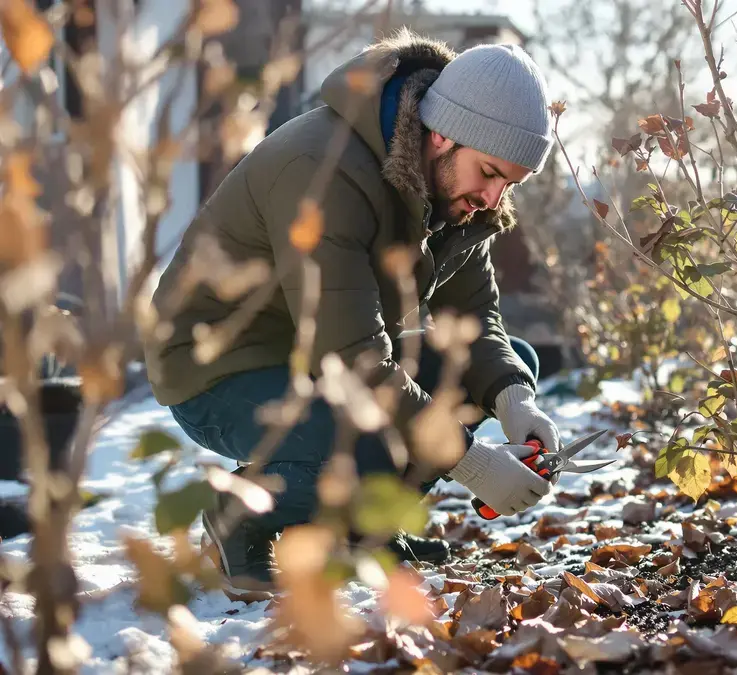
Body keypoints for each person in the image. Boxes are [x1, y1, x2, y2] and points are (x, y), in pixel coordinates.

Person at [143, 31, 562, 597]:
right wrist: (471, 462)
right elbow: (352, 357)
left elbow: (476, 318)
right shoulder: (322, 169)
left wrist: (516, 401)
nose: (492, 198)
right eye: (489, 173)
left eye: (508, 183)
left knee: (504, 367)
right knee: (343, 454)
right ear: (442, 135)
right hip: (220, 366)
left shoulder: (454, 196)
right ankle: (235, 516)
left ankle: (367, 529)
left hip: (320, 362)